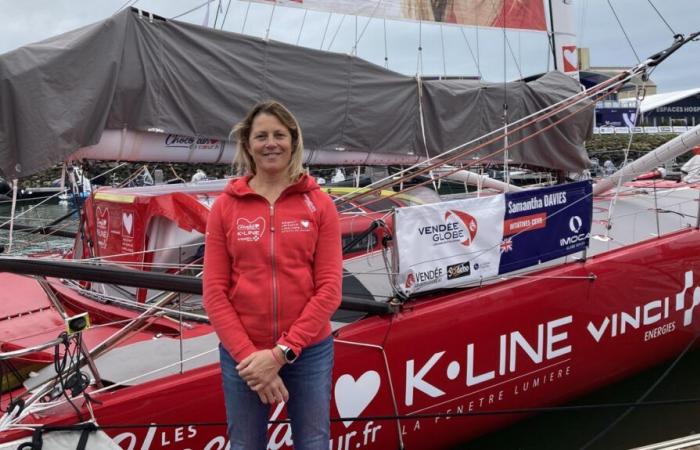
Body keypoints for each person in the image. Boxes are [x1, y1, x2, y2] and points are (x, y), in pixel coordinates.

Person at [203, 100, 342, 450]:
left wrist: (280, 355)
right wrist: (251, 358)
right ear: (248, 145)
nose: (271, 143)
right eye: (261, 136)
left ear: (293, 141)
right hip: (243, 353)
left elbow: (329, 290)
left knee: (313, 442)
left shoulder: (319, 204)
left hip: (307, 350)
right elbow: (215, 292)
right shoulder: (225, 207)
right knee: (246, 445)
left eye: (279, 135)